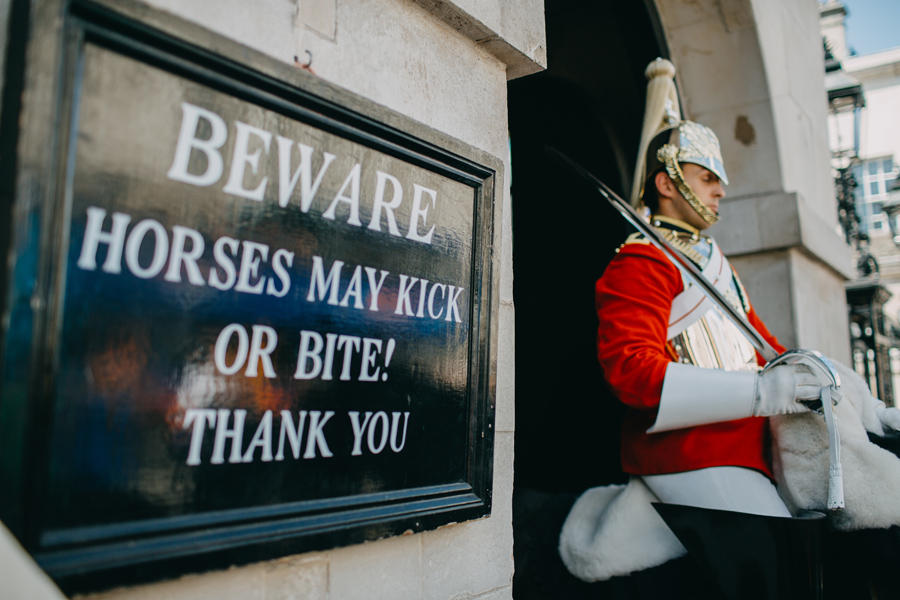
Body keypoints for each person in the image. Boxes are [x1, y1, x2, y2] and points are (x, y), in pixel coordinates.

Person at [559, 57, 900, 584]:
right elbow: (630, 372)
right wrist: (767, 392)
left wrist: (860, 402)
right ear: (667, 182)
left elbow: (772, 352)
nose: (720, 189)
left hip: (750, 445)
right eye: (706, 177)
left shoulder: (712, 262)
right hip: (688, 452)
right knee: (772, 562)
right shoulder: (640, 262)